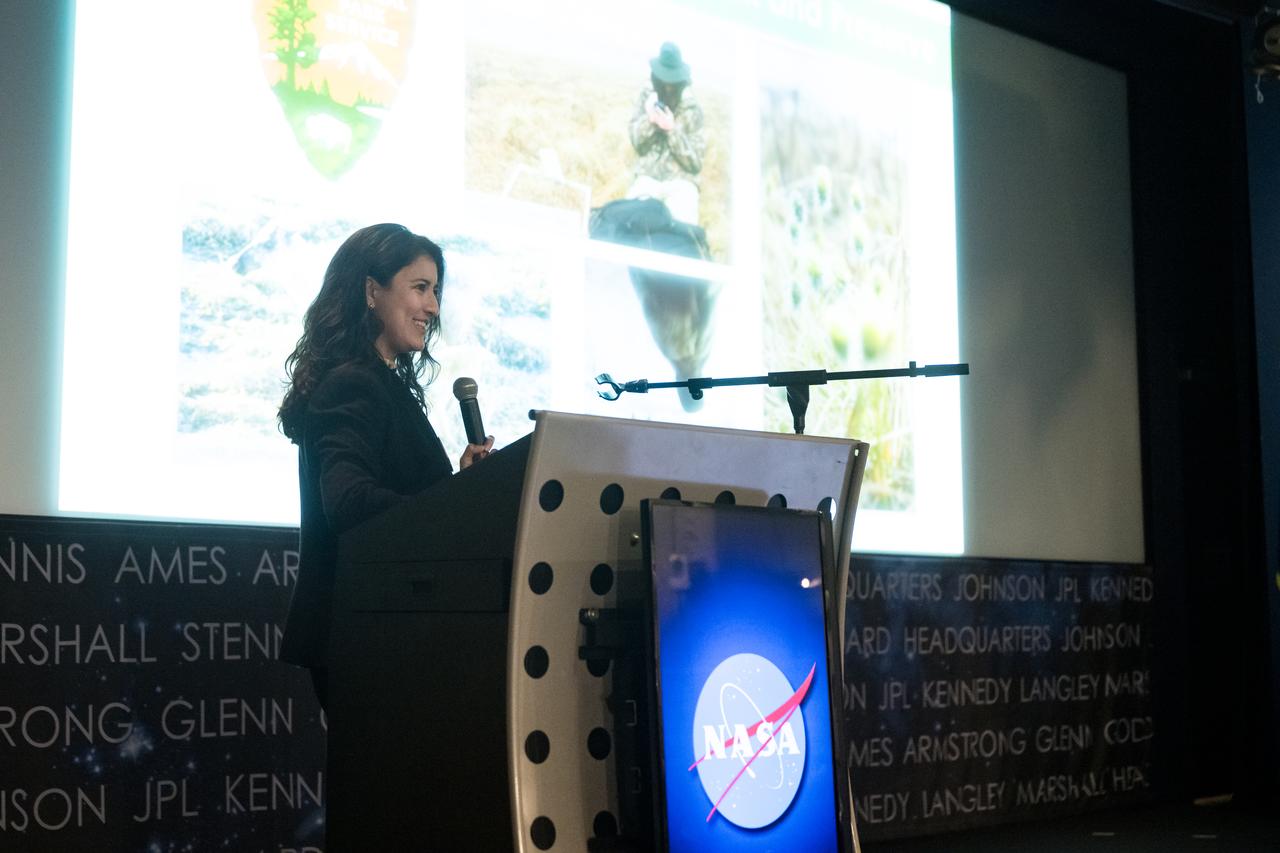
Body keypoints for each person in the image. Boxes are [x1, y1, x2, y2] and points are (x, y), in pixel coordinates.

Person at [276, 222, 492, 710]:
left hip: (382, 629)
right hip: (365, 634)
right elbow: (349, 501)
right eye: (420, 288)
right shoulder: (353, 382)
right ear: (372, 291)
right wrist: (451, 503)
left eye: (435, 291)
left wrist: (466, 491)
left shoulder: (380, 382)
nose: (433, 307)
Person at [627, 41, 706, 225]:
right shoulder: (646, 97)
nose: (667, 87)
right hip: (647, 178)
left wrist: (672, 130)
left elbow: (695, 163)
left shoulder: (692, 109)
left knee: (683, 233)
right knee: (630, 225)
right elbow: (636, 142)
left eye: (672, 82)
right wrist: (651, 121)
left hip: (681, 183)